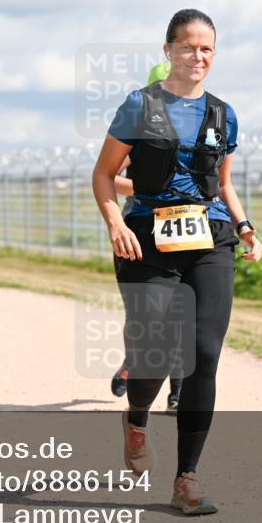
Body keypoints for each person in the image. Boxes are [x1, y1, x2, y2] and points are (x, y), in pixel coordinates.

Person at [92, 9, 262, 516]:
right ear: (168, 50)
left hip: (210, 239)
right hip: (146, 238)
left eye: (207, 48)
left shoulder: (223, 114)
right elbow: (103, 176)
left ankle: (186, 478)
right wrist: (116, 224)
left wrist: (247, 226)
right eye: (188, 47)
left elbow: (224, 182)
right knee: (154, 354)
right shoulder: (138, 106)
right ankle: (137, 417)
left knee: (204, 352)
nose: (198, 56)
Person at [110, 62, 184, 411]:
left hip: (185, 230)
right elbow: (110, 179)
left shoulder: (196, 123)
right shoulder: (139, 127)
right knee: (141, 314)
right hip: (140, 229)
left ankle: (177, 392)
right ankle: (131, 362)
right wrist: (148, 188)